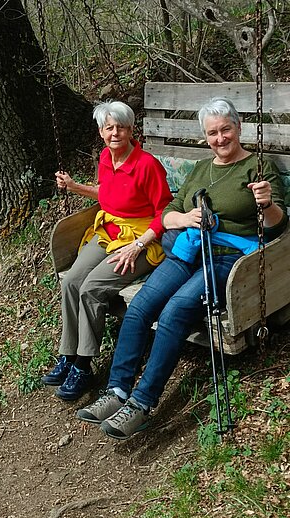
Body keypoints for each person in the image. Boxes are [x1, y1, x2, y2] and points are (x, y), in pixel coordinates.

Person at [77, 96, 288, 439]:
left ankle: (141, 404)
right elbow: (167, 211)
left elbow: (277, 227)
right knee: (140, 308)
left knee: (175, 311)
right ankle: (116, 391)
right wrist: (185, 216)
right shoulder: (202, 169)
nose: (220, 139)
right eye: (213, 133)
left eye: (226, 130)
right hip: (187, 252)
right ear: (205, 137)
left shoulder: (258, 168)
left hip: (226, 260)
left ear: (238, 128)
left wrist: (265, 204)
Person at [41, 100, 173, 401]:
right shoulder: (105, 158)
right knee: (72, 280)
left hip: (141, 239)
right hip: (109, 230)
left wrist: (139, 245)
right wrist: (75, 187)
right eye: (109, 128)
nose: (115, 133)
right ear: (101, 132)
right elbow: (107, 193)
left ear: (130, 130)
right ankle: (68, 354)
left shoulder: (146, 165)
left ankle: (84, 365)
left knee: (92, 288)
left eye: (121, 127)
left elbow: (165, 212)